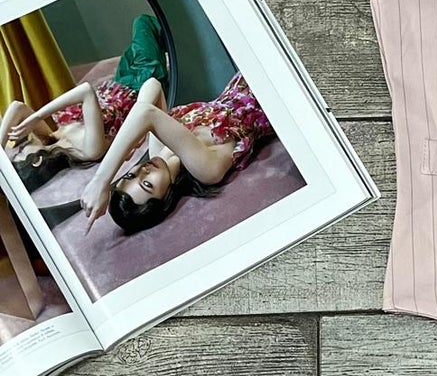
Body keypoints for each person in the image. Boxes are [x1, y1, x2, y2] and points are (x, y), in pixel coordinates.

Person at [77, 73, 273, 235]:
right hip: (269, 92)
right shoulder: (205, 171)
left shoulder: (159, 154)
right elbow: (146, 113)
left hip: (243, 77)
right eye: (147, 184)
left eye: (131, 175)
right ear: (165, 198)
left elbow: (153, 86)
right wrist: (100, 181)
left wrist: (136, 136)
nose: (143, 171)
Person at [1, 14, 170, 189]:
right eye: (18, 154)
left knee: (153, 36)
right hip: (141, 83)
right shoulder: (89, 151)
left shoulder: (49, 138)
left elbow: (17, 107)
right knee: (143, 23)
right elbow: (86, 91)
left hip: (119, 81)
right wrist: (37, 116)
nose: (18, 148)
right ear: (36, 162)